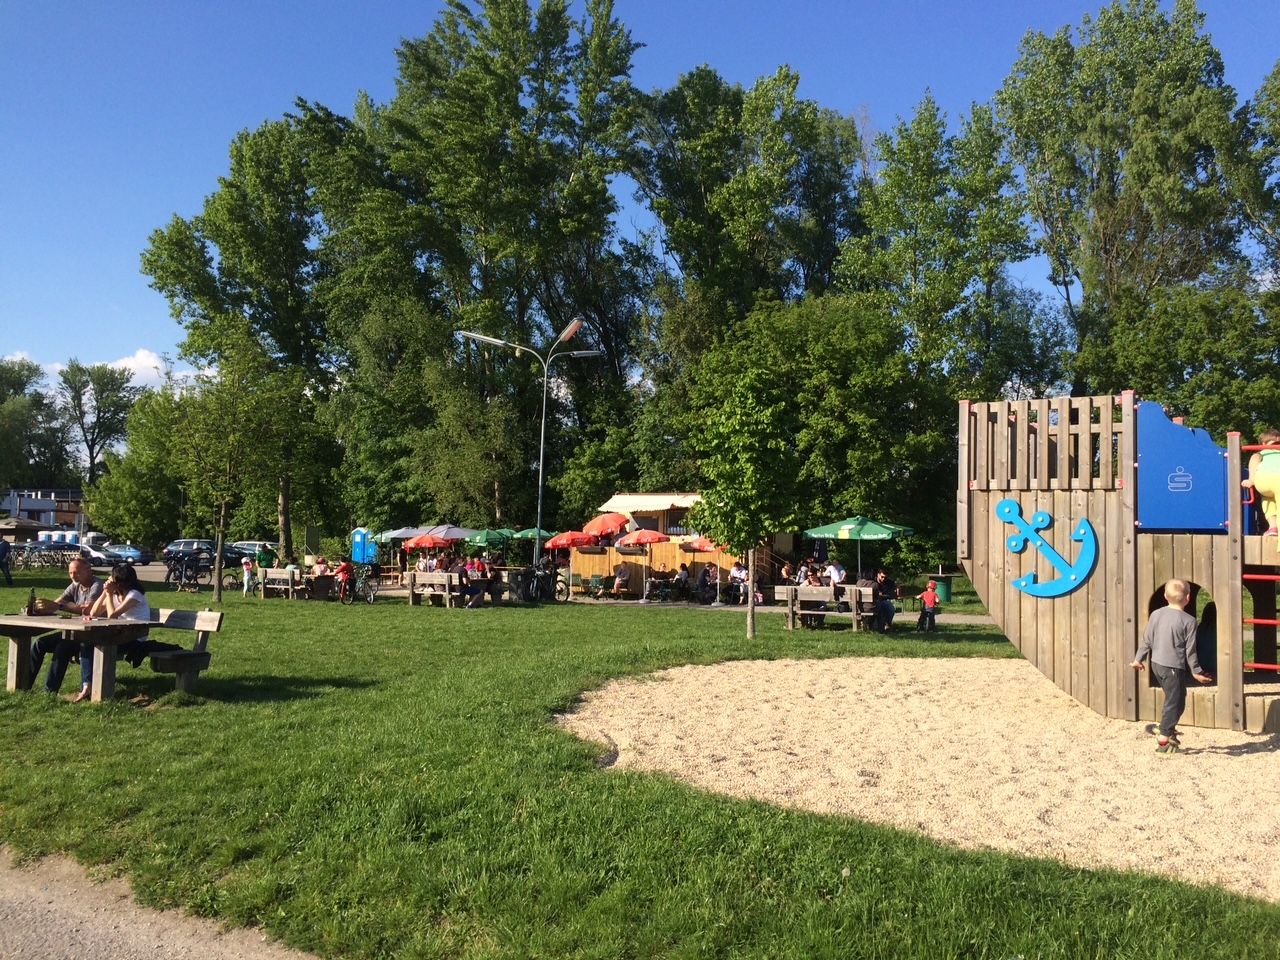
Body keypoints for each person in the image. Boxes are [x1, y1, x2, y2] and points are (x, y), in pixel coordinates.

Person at [1131, 579, 1213, 753]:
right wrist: (1197, 672)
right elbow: (1190, 651)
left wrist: (1138, 659)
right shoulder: (1189, 621)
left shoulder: (1156, 614)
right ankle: (1163, 740)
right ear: (1188, 598)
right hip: (1173, 668)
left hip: (1156, 665)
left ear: (1165, 596)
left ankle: (1166, 726)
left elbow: (1147, 639)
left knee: (1175, 698)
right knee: (1175, 702)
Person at [75, 563, 168, 703]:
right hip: (119, 635)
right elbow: (93, 613)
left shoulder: (135, 595)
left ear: (121, 582)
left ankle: (96, 688)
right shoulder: (115, 594)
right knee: (87, 644)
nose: (111, 582)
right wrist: (105, 594)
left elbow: (112, 615)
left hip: (135, 638)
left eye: (113, 580)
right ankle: (87, 686)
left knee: (98, 646)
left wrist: (108, 594)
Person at [25, 558, 103, 694]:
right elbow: (58, 602)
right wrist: (42, 608)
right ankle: (25, 685)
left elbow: (88, 609)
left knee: (62, 648)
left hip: (92, 634)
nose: (73, 576)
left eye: (77, 573)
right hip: (75, 631)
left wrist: (59, 606)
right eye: (70, 573)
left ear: (88, 570)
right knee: (39, 643)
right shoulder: (75, 585)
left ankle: (49, 691)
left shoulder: (97, 585)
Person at [1242, 429, 1280, 534]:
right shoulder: (1266, 453)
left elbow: (1254, 461)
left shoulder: (1261, 454)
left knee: (1267, 498)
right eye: (1276, 443)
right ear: (1263, 444)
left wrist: (1251, 480)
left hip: (1265, 482)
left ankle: (1273, 526)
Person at [872, 569, 898, 633]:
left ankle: (887, 624)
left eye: (885, 577)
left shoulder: (890, 583)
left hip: (884, 600)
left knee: (891, 608)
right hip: (874, 602)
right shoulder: (873, 582)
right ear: (878, 575)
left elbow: (893, 594)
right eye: (882, 577)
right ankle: (880, 625)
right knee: (880, 608)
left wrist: (882, 595)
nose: (883, 579)